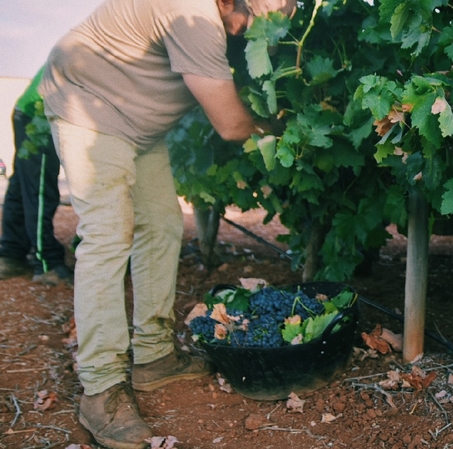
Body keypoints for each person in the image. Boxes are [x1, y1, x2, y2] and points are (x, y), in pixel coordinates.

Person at [39, 0, 296, 448]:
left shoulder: (217, 17)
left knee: (161, 227)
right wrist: (282, 128)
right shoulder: (194, 13)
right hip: (88, 105)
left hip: (138, 126)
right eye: (261, 19)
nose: (255, 34)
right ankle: (100, 389)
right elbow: (232, 125)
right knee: (107, 235)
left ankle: (154, 357)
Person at [0, 66, 73, 286]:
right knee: (40, 188)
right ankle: (47, 263)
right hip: (40, 115)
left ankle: (11, 254)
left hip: (27, 110)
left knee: (21, 184)